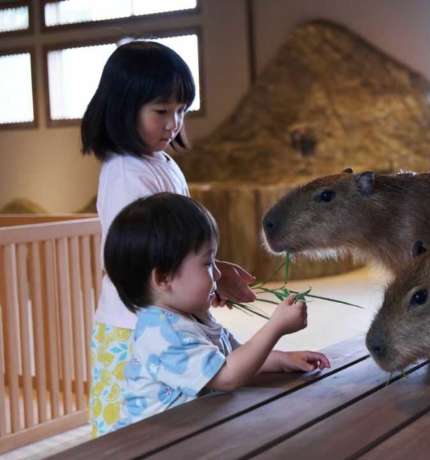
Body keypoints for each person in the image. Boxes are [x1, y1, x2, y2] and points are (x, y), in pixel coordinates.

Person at [81, 40, 256, 437]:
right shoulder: (126, 173)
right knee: (132, 432)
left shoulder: (160, 162)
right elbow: (146, 254)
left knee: (180, 420)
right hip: (135, 323)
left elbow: (176, 242)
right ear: (124, 108)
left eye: (181, 111)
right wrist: (206, 276)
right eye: (161, 111)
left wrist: (213, 271)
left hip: (165, 313)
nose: (173, 123)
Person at [104, 193, 330, 427]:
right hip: (150, 444)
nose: (218, 273)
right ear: (163, 277)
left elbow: (236, 357)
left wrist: (283, 360)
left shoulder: (191, 316)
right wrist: (276, 327)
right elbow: (227, 375)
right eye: (208, 263)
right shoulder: (161, 331)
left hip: (191, 431)